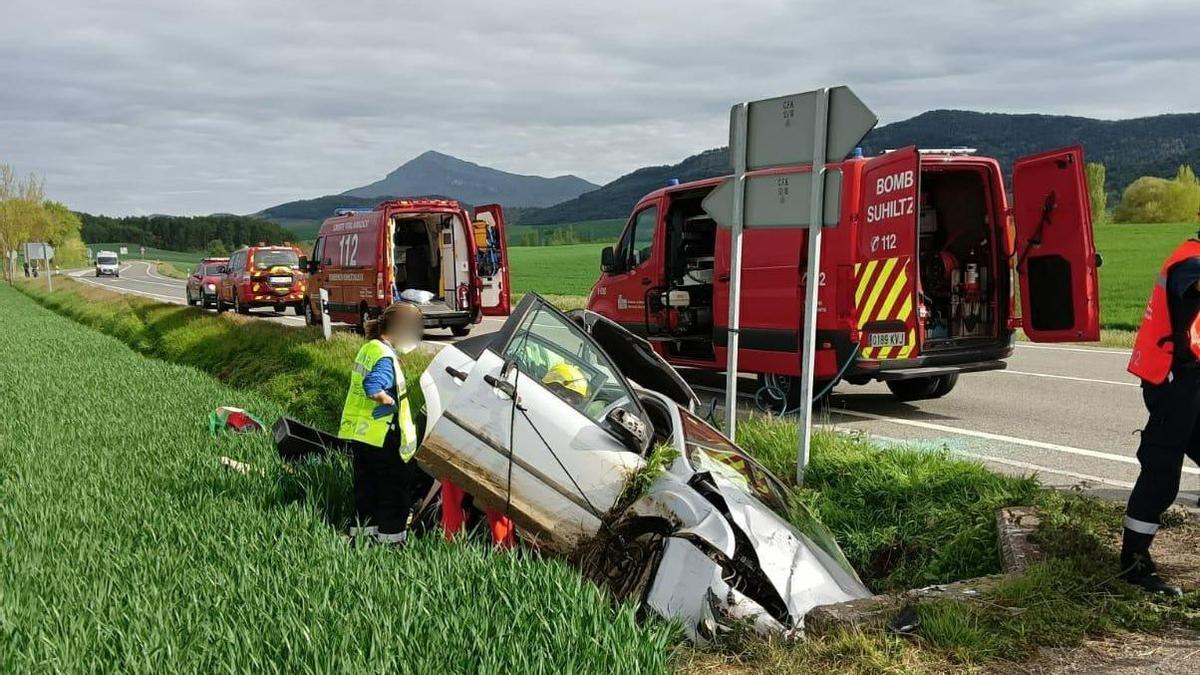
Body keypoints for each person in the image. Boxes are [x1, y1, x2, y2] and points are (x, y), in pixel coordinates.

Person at [1122, 236, 1200, 596]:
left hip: (1191, 376)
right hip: (1174, 380)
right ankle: (1134, 564)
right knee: (1161, 470)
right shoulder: (1191, 262)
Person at [338, 302, 424, 545]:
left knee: (366, 491)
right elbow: (373, 385)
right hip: (384, 436)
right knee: (393, 494)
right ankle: (391, 544)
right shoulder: (385, 356)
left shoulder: (369, 348)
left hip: (362, 435)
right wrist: (387, 401)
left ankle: (362, 540)